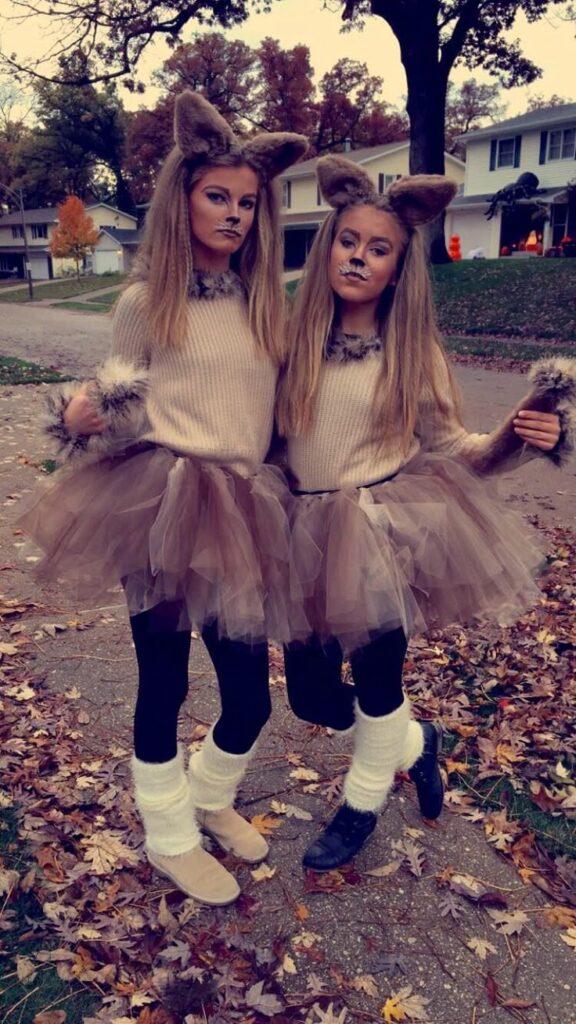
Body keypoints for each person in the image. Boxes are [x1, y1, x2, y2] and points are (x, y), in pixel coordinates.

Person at [19, 92, 308, 905]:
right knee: (165, 683)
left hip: (245, 513)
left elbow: (280, 417)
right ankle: (169, 835)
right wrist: (80, 420)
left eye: (247, 202)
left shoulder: (265, 305)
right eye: (218, 196)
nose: (234, 214)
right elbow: (117, 408)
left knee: (249, 696)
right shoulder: (146, 304)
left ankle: (209, 796)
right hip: (164, 506)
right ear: (184, 199)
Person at [276, 155, 572, 873]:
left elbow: (460, 451)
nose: (359, 257)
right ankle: (418, 742)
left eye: (378, 249)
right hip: (296, 534)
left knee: (379, 683)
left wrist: (520, 436)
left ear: (397, 268)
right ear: (327, 247)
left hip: (378, 533)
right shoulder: (288, 338)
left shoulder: (413, 355)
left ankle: (362, 802)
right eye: (349, 241)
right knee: (310, 696)